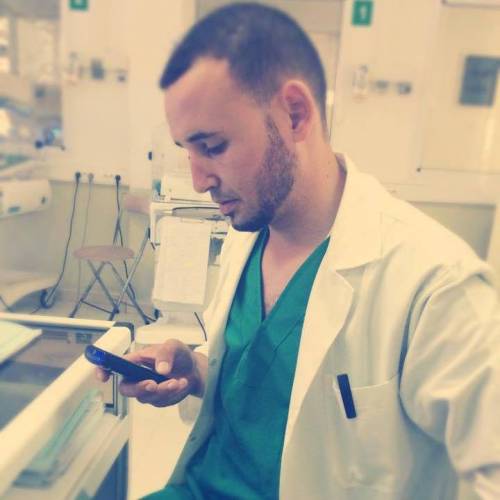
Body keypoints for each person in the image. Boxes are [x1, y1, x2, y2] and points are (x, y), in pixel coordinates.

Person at [97, 3, 500, 499]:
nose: (198, 180)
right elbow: (269, 392)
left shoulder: (436, 284)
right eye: (188, 151)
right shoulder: (249, 234)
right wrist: (196, 370)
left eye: (214, 147)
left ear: (294, 113)